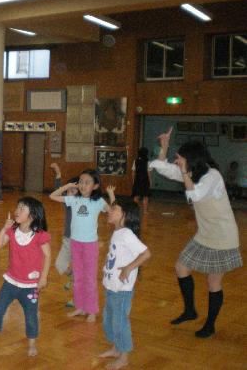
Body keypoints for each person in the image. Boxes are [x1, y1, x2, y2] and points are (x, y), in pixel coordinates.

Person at [150, 127, 242, 338]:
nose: (177, 162)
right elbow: (163, 168)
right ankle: (190, 310)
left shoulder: (212, 176)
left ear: (191, 160)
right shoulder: (194, 172)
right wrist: (163, 148)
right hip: (205, 234)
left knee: (213, 282)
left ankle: (210, 325)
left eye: (180, 159)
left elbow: (194, 196)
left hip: (222, 236)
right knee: (181, 267)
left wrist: (183, 171)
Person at [0, 197, 51, 357]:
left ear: (32, 215)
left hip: (31, 286)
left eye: (22, 209)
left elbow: (47, 256)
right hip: (10, 282)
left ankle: (32, 344)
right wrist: (4, 228)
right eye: (17, 207)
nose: (17, 211)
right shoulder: (12, 231)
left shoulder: (40, 235)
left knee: (31, 315)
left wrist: (43, 277)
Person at [99, 187, 151, 370]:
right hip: (111, 287)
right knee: (109, 320)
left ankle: (124, 357)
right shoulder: (118, 232)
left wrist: (129, 268)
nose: (109, 211)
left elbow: (146, 254)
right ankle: (115, 348)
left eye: (114, 209)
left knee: (120, 322)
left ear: (125, 215)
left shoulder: (127, 234)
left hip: (121, 290)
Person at [49, 169, 109, 322]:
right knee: (78, 278)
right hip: (75, 243)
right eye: (81, 182)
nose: (83, 185)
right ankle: (80, 307)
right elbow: (52, 196)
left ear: (95, 186)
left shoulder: (98, 202)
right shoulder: (73, 199)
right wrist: (67, 186)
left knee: (89, 279)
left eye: (87, 182)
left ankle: (92, 310)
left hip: (90, 245)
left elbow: (112, 212)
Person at [50, 163, 77, 307]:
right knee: (60, 265)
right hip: (67, 240)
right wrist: (58, 173)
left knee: (80, 271)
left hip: (81, 242)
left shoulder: (83, 203)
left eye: (74, 190)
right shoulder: (67, 202)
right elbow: (56, 192)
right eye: (69, 190)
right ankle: (73, 276)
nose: (70, 193)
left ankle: (76, 298)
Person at [131, 147, 152, 213]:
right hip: (145, 180)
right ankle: (145, 211)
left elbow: (133, 172)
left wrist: (133, 180)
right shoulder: (148, 162)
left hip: (137, 180)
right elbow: (149, 173)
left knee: (136, 196)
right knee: (145, 196)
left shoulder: (135, 161)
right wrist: (150, 181)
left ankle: (134, 210)